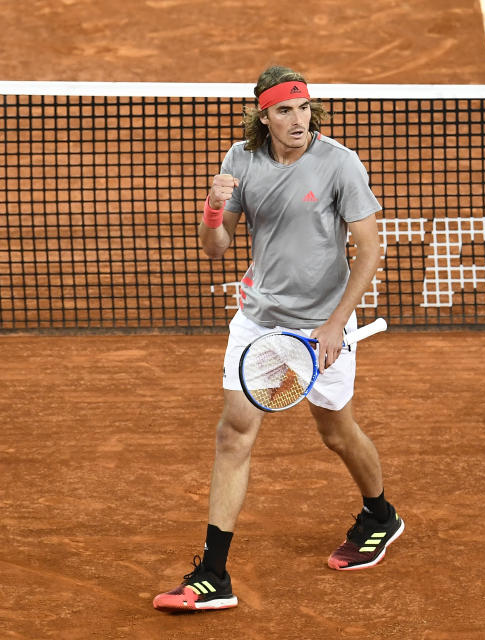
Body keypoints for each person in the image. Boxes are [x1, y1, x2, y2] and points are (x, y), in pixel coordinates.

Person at [153, 65, 403, 613]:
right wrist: (213, 206)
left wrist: (337, 323)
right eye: (285, 110)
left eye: (304, 107)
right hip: (259, 318)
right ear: (262, 116)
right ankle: (213, 574)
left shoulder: (339, 163)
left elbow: (370, 250)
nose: (298, 119)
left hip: (322, 327)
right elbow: (215, 247)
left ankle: (381, 515)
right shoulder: (240, 160)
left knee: (336, 433)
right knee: (233, 433)